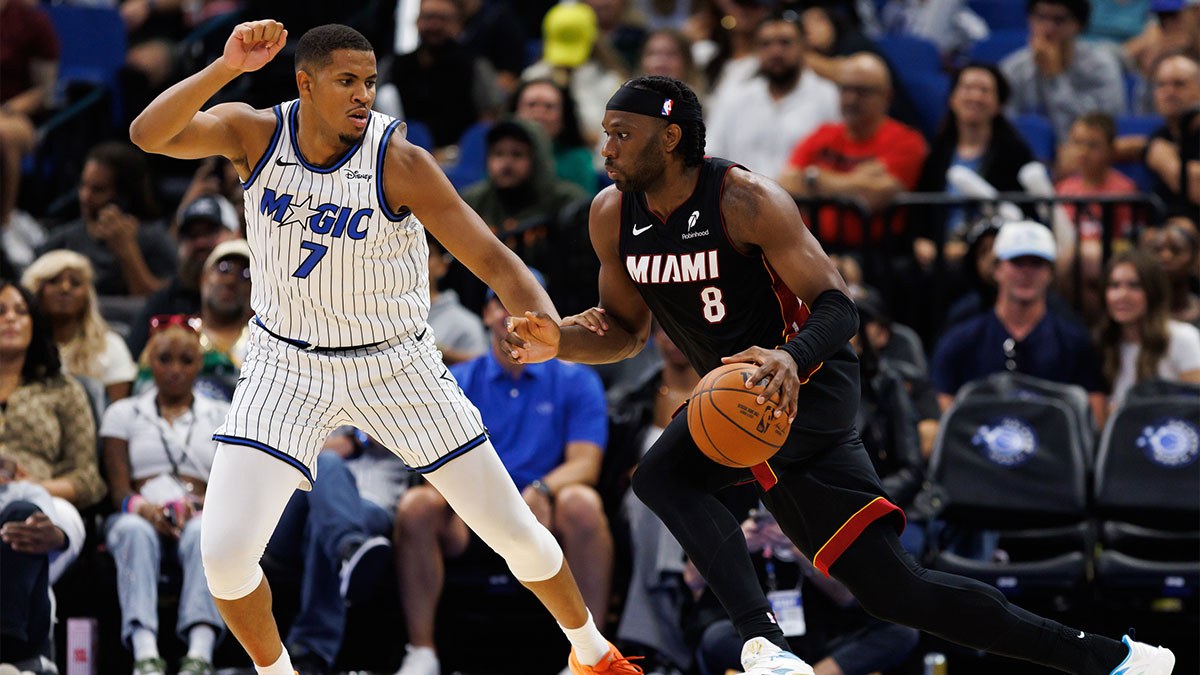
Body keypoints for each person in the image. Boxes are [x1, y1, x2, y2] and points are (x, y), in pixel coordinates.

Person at [508, 75, 1177, 675]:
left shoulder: (744, 200)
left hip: (810, 386)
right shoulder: (610, 216)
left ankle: (761, 644)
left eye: (622, 134)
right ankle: (1114, 659)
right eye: (605, 134)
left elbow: (839, 305)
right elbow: (622, 331)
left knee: (665, 475)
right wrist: (557, 341)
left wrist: (788, 358)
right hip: (738, 399)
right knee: (895, 591)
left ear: (671, 136)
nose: (608, 148)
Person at [129, 20, 640, 675]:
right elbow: (148, 134)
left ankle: (595, 652)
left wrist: (545, 323)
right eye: (346, 81)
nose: (363, 94)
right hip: (286, 363)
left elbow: (493, 257)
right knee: (225, 557)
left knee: (512, 529)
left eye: (370, 81)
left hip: (394, 364)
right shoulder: (253, 131)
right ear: (304, 84)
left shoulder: (398, 159)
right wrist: (225, 67)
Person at [394, 281, 612, 675]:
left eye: (525, 305)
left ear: (545, 319)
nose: (513, 314)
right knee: (417, 505)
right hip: (469, 511)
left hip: (543, 510)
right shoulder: (456, 379)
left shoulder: (576, 380)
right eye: (502, 303)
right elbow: (431, 457)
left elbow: (585, 463)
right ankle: (421, 651)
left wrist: (543, 489)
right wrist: (475, 506)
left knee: (584, 503)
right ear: (487, 315)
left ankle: (590, 654)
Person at [100, 318, 227, 675]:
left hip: (201, 509)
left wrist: (196, 506)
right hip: (138, 510)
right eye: (164, 359)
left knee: (206, 533)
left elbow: (230, 485)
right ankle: (145, 652)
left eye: (186, 361)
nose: (175, 370)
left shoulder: (221, 414)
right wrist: (145, 510)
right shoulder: (122, 412)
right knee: (133, 532)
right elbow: (118, 489)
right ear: (148, 362)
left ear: (199, 365)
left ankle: (200, 653)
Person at [931, 221, 1109, 420]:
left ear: (1049, 273)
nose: (1026, 272)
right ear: (996, 269)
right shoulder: (960, 341)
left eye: (1036, 263)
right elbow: (942, 413)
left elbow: (1095, 418)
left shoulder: (1075, 342)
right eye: (1017, 262)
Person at [779, 53, 927, 249]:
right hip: (813, 249)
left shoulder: (906, 141)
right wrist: (853, 180)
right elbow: (785, 185)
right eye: (845, 89)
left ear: (887, 97)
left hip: (875, 255)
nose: (850, 98)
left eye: (862, 91)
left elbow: (876, 196)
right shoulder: (823, 134)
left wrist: (812, 180)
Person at [914, 63, 1036, 260]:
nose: (975, 97)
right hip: (940, 255)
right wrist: (921, 242)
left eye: (984, 90)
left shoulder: (1014, 153)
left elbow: (1023, 214)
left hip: (991, 254)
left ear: (999, 104)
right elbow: (920, 211)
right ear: (952, 98)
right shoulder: (938, 152)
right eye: (967, 88)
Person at [704, 11, 840, 181]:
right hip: (738, 199)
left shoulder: (827, 96)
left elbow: (838, 157)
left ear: (804, 45)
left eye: (785, 43)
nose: (776, 51)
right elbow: (711, 154)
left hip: (804, 202)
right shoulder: (734, 97)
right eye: (766, 44)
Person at [38, 142, 176, 297]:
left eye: (98, 189)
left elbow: (163, 304)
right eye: (83, 185)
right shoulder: (63, 239)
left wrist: (127, 251)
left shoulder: (153, 237)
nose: (85, 196)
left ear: (123, 195)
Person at [126, 194, 238, 359]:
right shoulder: (163, 304)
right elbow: (134, 364)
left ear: (236, 235)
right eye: (192, 235)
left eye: (210, 232)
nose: (200, 243)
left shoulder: (262, 293)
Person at [22, 250, 138, 404]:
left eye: (75, 283)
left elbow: (117, 414)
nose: (65, 288)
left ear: (87, 296)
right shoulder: (19, 347)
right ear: (37, 291)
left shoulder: (110, 346)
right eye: (54, 281)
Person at [1000, 0, 1126, 141]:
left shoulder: (1101, 67)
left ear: (1078, 25)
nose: (1048, 28)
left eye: (1058, 20)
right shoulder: (1013, 67)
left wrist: (1055, 77)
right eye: (1041, 17)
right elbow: (1004, 124)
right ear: (1030, 20)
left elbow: (1103, 127)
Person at [1095, 249, 1200, 408]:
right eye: (1114, 285)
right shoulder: (1103, 342)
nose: (1121, 295)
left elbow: (1195, 410)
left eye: (1134, 286)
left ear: (1153, 292)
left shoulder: (1183, 338)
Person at [392, 0, 502, 149]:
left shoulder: (475, 66)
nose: (435, 25)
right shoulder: (394, 65)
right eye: (429, 18)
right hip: (403, 151)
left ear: (458, 25)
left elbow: (489, 116)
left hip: (455, 155)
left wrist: (463, 151)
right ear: (417, 22)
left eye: (443, 19)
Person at [512, 78, 599, 194]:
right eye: (531, 105)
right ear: (516, 113)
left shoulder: (578, 159)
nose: (539, 114)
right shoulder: (500, 154)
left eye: (549, 107)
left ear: (564, 117)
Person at [1142, 53, 1200, 222]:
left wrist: (1165, 160)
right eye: (1161, 85)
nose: (1168, 92)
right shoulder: (1160, 135)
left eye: (1179, 84)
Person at [424, 232, 487, 366]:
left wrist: (443, 353)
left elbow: (481, 372)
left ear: (443, 265)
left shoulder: (466, 324)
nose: (415, 260)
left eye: (426, 254)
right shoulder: (381, 314)